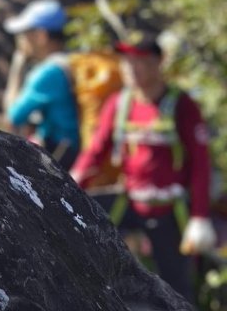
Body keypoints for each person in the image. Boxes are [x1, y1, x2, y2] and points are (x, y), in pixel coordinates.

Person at [71, 32, 216, 302]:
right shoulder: (119, 103)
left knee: (176, 287)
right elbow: (95, 152)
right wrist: (69, 184)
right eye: (127, 62)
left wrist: (199, 216)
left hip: (170, 211)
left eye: (140, 61)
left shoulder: (182, 105)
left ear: (158, 63)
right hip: (130, 204)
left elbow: (200, 163)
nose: (132, 69)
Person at [2, 0, 81, 168]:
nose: (21, 41)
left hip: (62, 157)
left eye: (24, 34)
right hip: (76, 151)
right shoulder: (72, 61)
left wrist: (17, 67)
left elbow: (12, 117)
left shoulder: (48, 72)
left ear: (41, 36)